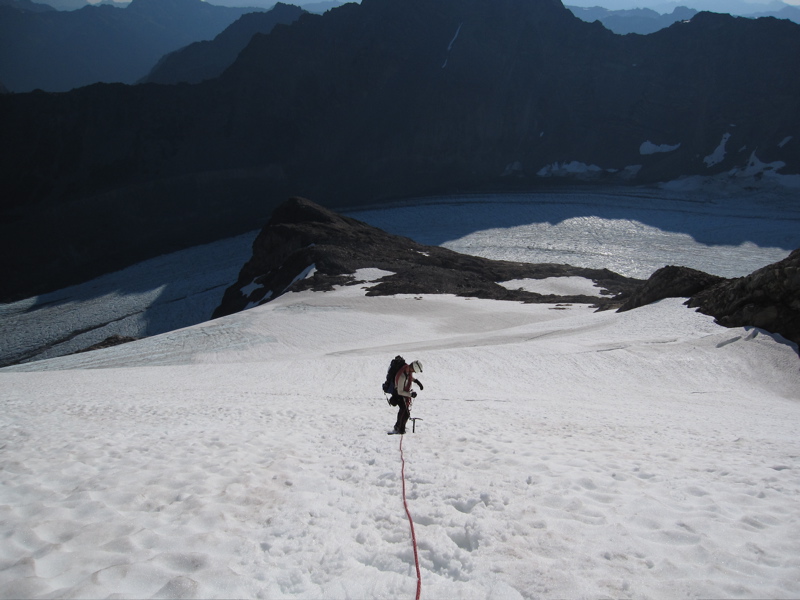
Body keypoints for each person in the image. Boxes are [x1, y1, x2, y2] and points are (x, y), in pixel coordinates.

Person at [390, 360, 423, 434]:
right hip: (398, 395)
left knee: (404, 411)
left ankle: (398, 426)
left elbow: (409, 377)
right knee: (404, 412)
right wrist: (411, 395)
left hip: (403, 393)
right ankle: (400, 429)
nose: (414, 372)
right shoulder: (402, 375)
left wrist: (417, 382)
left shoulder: (407, 370)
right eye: (414, 371)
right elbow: (400, 391)